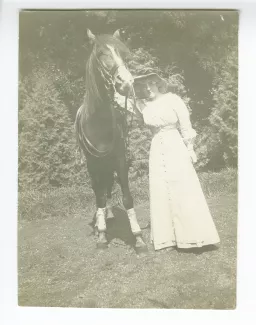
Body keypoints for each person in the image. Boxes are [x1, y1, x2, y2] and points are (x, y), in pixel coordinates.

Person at [133, 73, 220, 251]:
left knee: (183, 186)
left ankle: (196, 237)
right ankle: (167, 239)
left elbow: (185, 123)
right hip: (157, 146)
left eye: (151, 83)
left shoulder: (173, 99)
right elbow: (123, 96)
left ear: (158, 84)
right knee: (160, 189)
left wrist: (190, 147)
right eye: (144, 85)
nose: (148, 88)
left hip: (175, 144)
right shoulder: (143, 105)